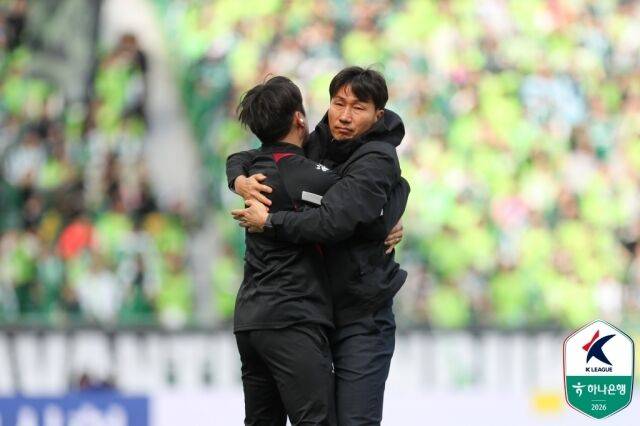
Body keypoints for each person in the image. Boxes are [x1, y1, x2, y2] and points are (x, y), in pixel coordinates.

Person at [228, 67, 409, 426]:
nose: (344, 115)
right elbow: (252, 154)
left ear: (378, 115)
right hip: (314, 312)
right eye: (338, 103)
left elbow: (335, 220)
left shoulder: (378, 158)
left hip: (360, 314)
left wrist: (271, 222)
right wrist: (238, 180)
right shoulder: (314, 145)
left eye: (358, 107)